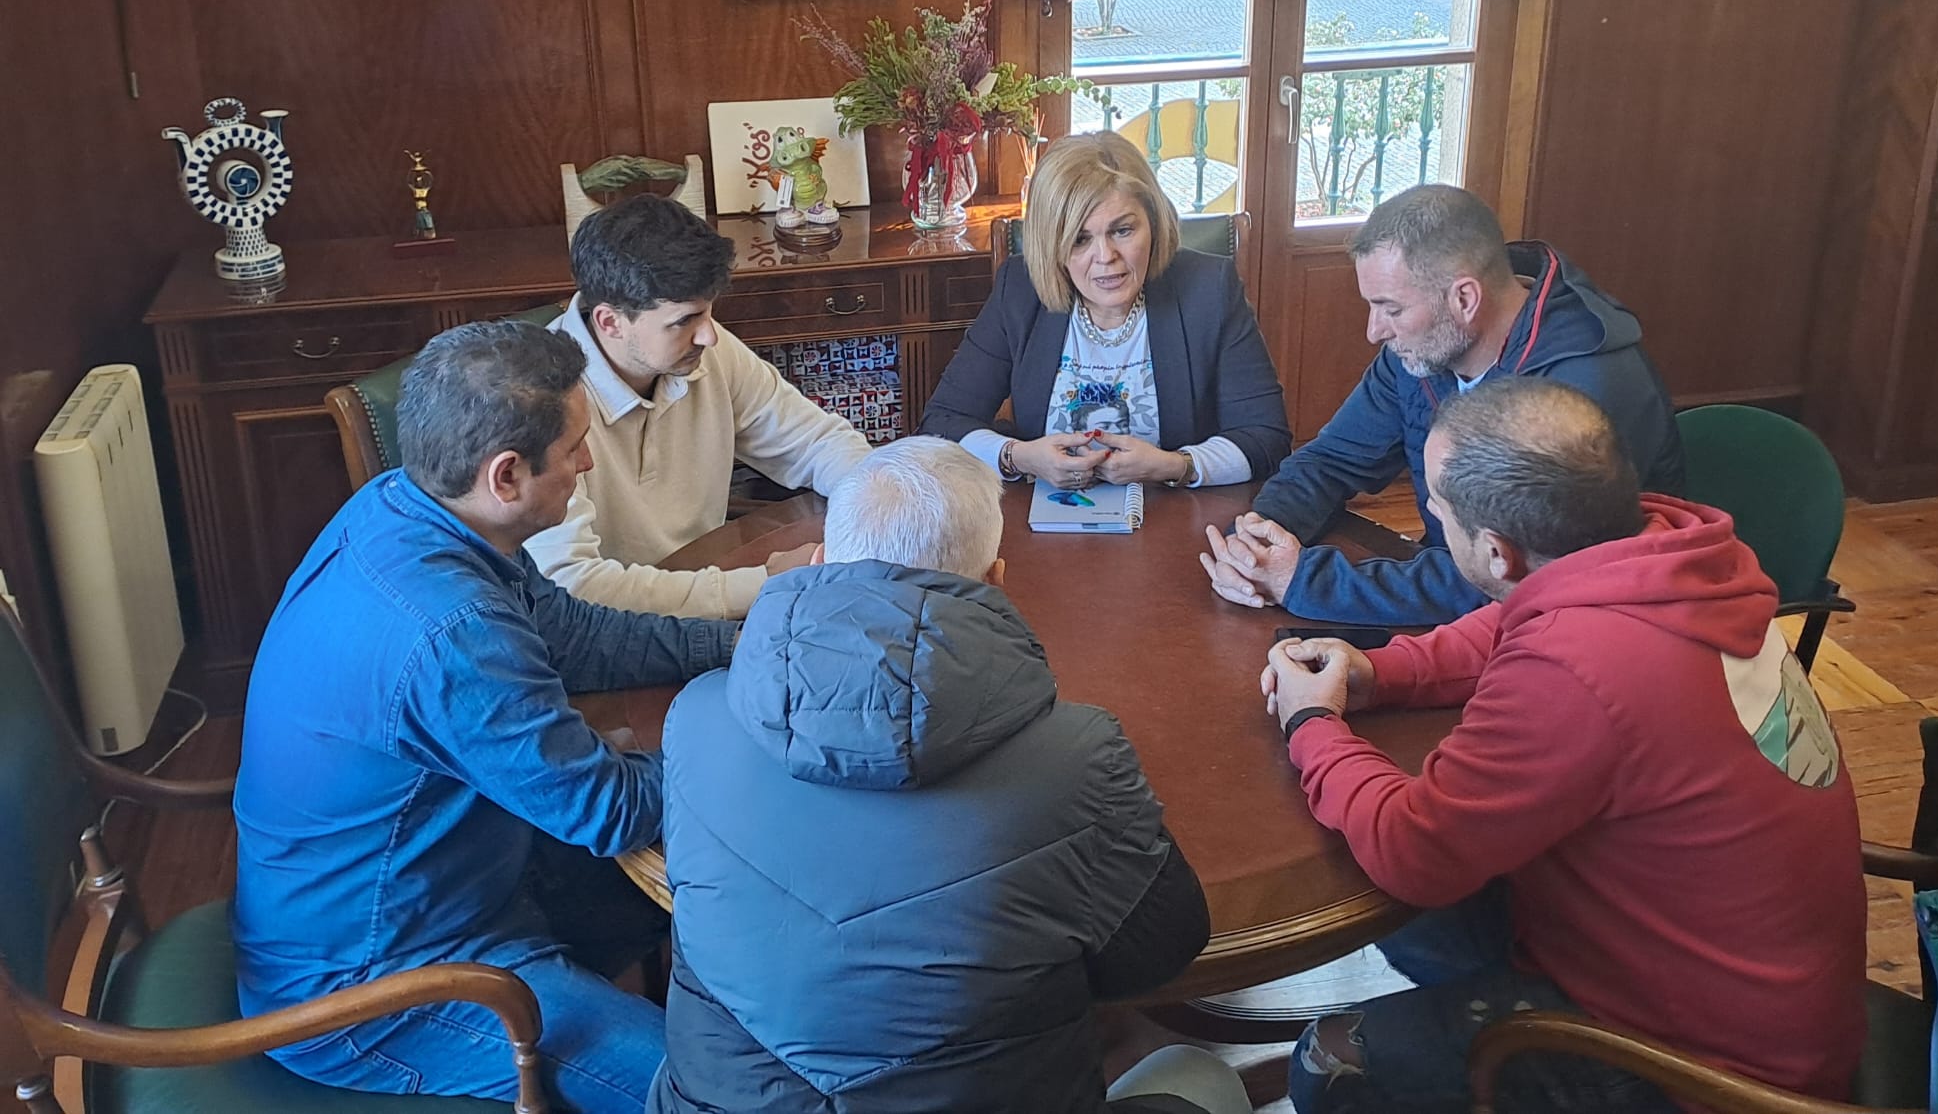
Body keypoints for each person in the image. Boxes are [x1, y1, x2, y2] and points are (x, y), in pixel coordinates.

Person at [1260, 378, 1866, 1114]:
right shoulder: (1670, 550)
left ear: (1495, 551)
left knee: (1331, 1063)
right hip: (1767, 991)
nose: (1435, 524)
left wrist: (1311, 724)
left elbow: (1411, 847)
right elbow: (1517, 617)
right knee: (1430, 912)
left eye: (1439, 515)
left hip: (1710, 1071)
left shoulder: (1578, 668)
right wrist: (1375, 671)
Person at [651, 436, 1253, 1114]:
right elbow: (1160, 952)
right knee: (1200, 1076)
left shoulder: (696, 717)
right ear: (996, 579)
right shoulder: (1078, 756)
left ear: (820, 561)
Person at [233, 320, 738, 1113]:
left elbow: (577, 636)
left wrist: (744, 646)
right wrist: (751, 744)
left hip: (452, 884)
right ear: (506, 475)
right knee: (719, 1090)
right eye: (574, 446)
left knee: (718, 914)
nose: (586, 460)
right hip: (380, 990)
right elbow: (606, 809)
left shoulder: (402, 505)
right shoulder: (453, 629)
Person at [1202, 184, 1684, 627]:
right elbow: (1331, 460)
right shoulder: (1422, 352)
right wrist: (1258, 539)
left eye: (1391, 309)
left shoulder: (1584, 388)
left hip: (1594, 629)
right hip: (1463, 612)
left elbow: (1509, 578)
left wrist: (1304, 580)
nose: (1375, 331)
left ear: (1465, 298)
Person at [526, 192, 873, 619]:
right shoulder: (540, 400)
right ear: (609, 322)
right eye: (684, 320)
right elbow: (574, 587)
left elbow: (817, 441)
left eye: (708, 313)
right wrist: (765, 582)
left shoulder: (705, 347)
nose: (709, 334)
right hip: (613, 636)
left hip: (705, 584)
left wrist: (881, 503)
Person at [920, 131, 1290, 491]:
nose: (1106, 257)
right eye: (1080, 239)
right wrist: (1018, 456)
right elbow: (941, 423)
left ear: (1153, 223)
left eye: (1123, 231)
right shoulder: (1019, 289)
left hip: (1174, 523)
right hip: (1046, 527)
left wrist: (1174, 465)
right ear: (1053, 244)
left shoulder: (1208, 289)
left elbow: (1267, 439)